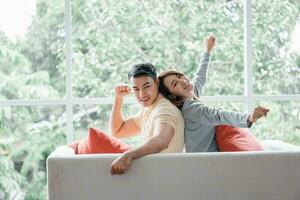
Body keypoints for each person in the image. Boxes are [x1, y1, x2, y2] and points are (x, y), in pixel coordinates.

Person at [158, 34, 269, 152]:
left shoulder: (191, 94)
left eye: (179, 76)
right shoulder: (190, 108)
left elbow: (200, 77)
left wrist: (208, 51)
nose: (182, 81)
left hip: (211, 157)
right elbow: (218, 115)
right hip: (205, 162)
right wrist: (249, 118)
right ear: (172, 96)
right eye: (175, 84)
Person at [110, 63, 184, 175]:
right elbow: (118, 131)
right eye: (136, 89)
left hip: (167, 177)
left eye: (147, 86)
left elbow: (162, 139)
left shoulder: (164, 109)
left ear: (157, 82)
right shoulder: (148, 111)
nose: (142, 94)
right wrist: (118, 98)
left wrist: (129, 155)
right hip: (155, 176)